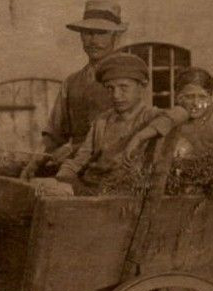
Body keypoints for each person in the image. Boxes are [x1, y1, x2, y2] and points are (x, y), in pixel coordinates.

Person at [51, 53, 160, 195]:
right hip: (93, 186)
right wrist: (63, 177)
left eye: (123, 87)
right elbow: (81, 159)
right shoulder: (102, 121)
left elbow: (180, 113)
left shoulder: (152, 117)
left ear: (142, 87)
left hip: (127, 194)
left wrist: (139, 137)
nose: (116, 95)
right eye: (110, 88)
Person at [41, 0, 128, 163]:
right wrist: (37, 158)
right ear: (81, 36)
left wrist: (72, 148)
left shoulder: (128, 79)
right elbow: (54, 133)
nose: (93, 40)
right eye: (87, 33)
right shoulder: (71, 82)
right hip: (75, 169)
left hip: (115, 166)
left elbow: (127, 130)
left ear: (115, 36)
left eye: (101, 33)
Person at [122, 67, 213, 162]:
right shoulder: (174, 119)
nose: (195, 103)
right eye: (189, 97)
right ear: (178, 97)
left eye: (202, 97)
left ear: (210, 97)